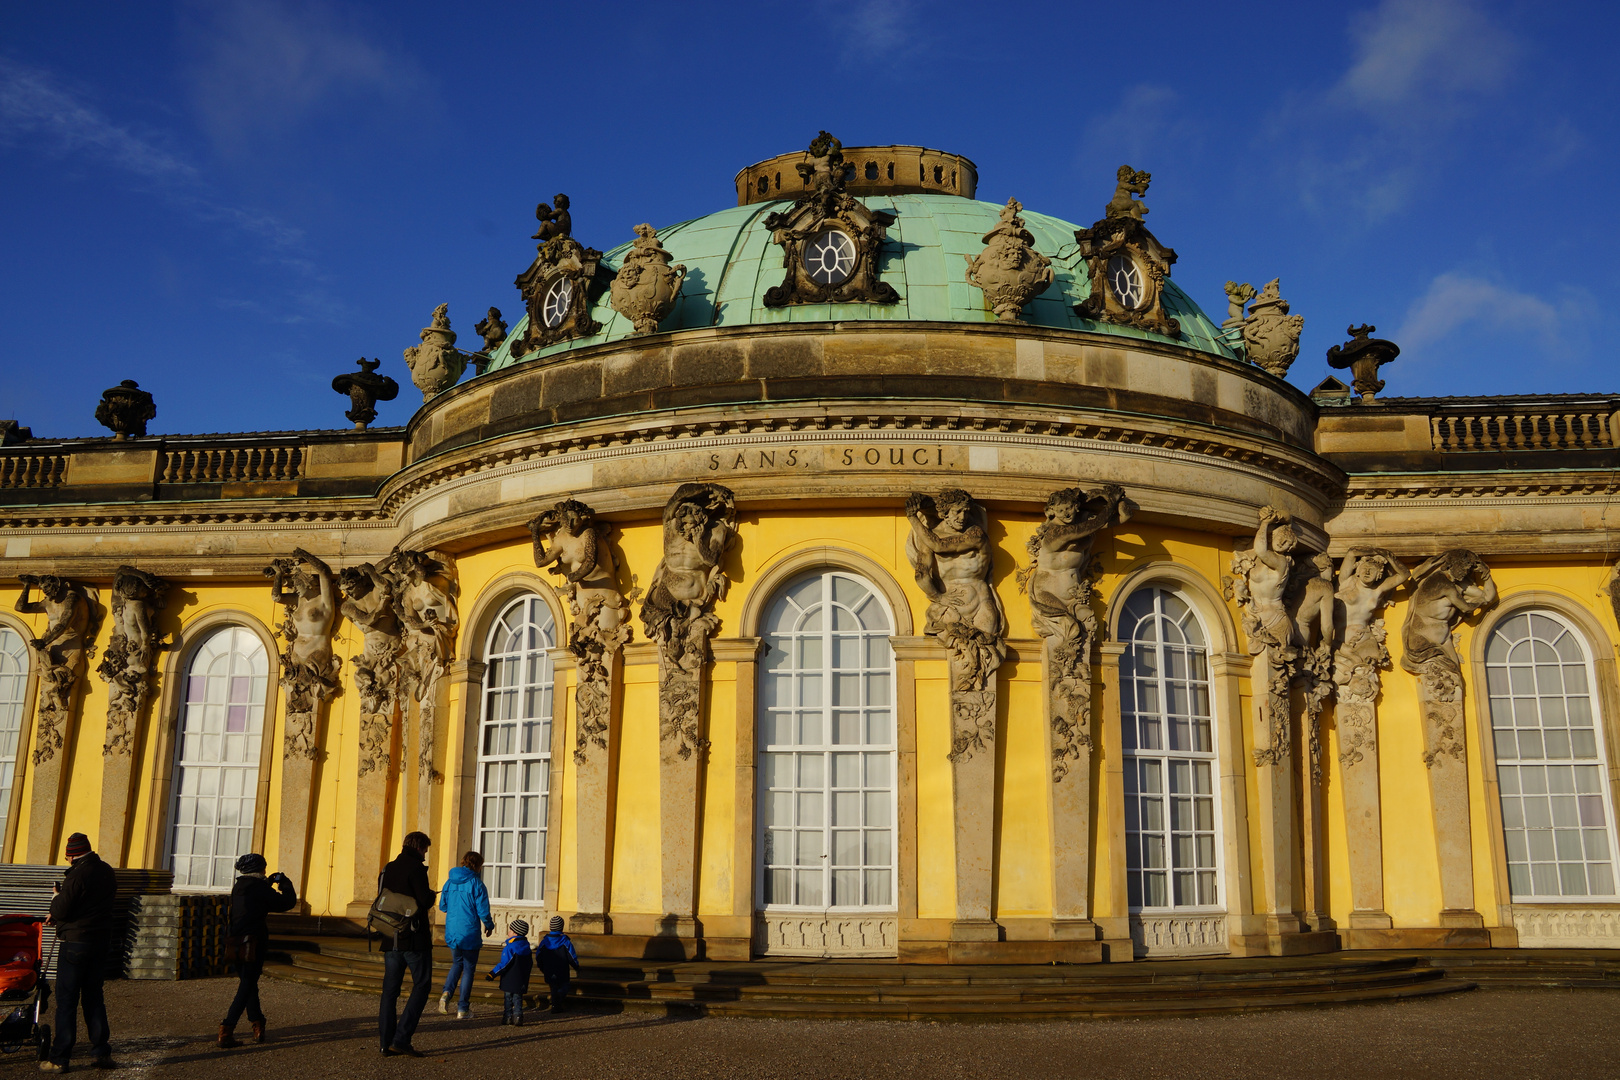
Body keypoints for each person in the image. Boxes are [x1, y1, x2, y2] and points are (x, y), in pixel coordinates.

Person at [43, 831, 117, 1072]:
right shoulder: (106, 870)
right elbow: (89, 906)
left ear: (71, 854)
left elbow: (62, 909)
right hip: (100, 942)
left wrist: (56, 899)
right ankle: (101, 1052)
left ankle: (59, 1058)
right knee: (94, 998)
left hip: (75, 944)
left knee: (66, 1002)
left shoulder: (77, 875)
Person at [218, 854, 297, 1048]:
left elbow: (255, 901)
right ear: (259, 869)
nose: (265, 871)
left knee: (249, 983)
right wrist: (285, 884)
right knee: (247, 985)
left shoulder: (239, 886)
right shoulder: (259, 888)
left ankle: (258, 1023)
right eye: (264, 868)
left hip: (235, 941)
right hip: (253, 942)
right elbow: (286, 903)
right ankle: (226, 1028)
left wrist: (267, 884)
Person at [377, 832, 436, 1058]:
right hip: (412, 939)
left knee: (389, 992)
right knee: (422, 986)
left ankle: (385, 1042)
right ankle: (401, 1039)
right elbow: (422, 901)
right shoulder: (417, 869)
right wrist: (430, 896)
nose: (425, 855)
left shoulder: (387, 868)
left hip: (390, 936)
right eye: (425, 850)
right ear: (420, 848)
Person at [436, 852, 493, 1020]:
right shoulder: (477, 884)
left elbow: (443, 906)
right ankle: (463, 1008)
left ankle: (446, 993)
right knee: (468, 969)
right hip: (469, 931)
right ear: (477, 865)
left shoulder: (449, 881)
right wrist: (489, 925)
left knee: (457, 963)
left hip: (452, 930)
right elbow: (483, 911)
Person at [485, 919, 533, 1025]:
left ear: (515, 933)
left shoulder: (510, 947)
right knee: (518, 998)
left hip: (509, 978)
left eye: (510, 930)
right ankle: (518, 1016)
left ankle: (507, 1017)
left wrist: (492, 973)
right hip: (521, 978)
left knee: (508, 998)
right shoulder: (526, 946)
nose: (508, 932)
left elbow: (504, 964)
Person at [535, 916, 581, 1013]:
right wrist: (576, 966)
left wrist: (541, 966)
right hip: (562, 969)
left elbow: (538, 955)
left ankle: (555, 1005)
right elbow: (571, 956)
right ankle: (557, 1001)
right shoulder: (565, 941)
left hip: (548, 969)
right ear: (562, 927)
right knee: (565, 986)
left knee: (553, 987)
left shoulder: (544, 941)